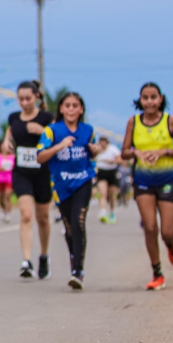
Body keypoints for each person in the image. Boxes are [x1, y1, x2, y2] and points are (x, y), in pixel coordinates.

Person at [120, 82, 173, 291]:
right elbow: (124, 151)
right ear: (140, 100)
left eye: (153, 97)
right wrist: (137, 153)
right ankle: (157, 273)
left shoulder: (170, 122)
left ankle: (170, 245)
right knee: (150, 227)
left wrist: (164, 152)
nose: (149, 101)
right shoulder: (133, 122)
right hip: (143, 180)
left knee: (167, 232)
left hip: (167, 180)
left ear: (160, 99)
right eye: (145, 97)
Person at [37, 92, 100, 289]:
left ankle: (78, 271)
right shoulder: (51, 131)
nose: (71, 109)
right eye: (67, 105)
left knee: (79, 222)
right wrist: (60, 146)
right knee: (69, 226)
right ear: (61, 109)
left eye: (75, 105)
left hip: (83, 180)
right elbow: (40, 157)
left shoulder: (88, 130)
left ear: (81, 109)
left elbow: (91, 153)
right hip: (61, 184)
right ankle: (74, 257)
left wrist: (95, 150)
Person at [3, 80, 54, 279]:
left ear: (36, 97)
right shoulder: (14, 117)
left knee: (43, 218)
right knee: (26, 215)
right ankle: (26, 261)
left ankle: (44, 256)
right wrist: (7, 141)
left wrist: (42, 131)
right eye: (21, 99)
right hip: (21, 172)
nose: (24, 103)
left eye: (28, 99)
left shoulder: (46, 118)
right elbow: (10, 131)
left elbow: (57, 138)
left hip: (42, 172)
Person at [93, 135, 122, 224]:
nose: (102, 145)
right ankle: (103, 212)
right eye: (101, 143)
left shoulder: (113, 149)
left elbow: (120, 160)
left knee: (111, 195)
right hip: (101, 172)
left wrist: (111, 161)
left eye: (104, 143)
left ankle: (112, 212)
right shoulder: (97, 149)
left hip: (112, 172)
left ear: (107, 143)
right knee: (103, 193)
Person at [0, 140, 15, 221]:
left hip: (10, 179)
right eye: (2, 145)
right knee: (1, 198)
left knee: (8, 195)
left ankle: (8, 213)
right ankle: (3, 209)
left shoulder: (13, 157)